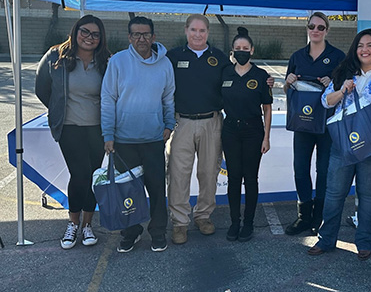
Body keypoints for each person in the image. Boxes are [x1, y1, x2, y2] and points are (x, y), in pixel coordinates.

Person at [166, 15, 274, 244]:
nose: (198, 34)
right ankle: (180, 222)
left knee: (208, 173)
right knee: (178, 175)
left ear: (208, 32)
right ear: (186, 31)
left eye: (202, 30)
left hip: (212, 122)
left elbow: (242, 74)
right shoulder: (173, 56)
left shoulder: (219, 58)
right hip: (182, 122)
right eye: (193, 30)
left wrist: (268, 81)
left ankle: (203, 216)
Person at [307, 28, 371, 261]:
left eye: (370, 45)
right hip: (343, 144)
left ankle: (364, 241)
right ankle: (326, 239)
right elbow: (326, 101)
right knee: (334, 193)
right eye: (360, 46)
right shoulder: (345, 73)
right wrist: (341, 89)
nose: (364, 50)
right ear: (355, 50)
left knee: (368, 195)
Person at [35, 15, 110, 249]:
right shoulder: (55, 56)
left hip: (98, 129)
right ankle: (73, 223)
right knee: (80, 174)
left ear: (101, 38)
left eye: (95, 34)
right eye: (85, 32)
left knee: (93, 175)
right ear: (76, 31)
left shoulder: (106, 61)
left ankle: (88, 225)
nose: (89, 37)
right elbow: (41, 89)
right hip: (69, 128)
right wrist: (57, 110)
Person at [101, 16, 175, 253]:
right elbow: (107, 99)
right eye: (136, 34)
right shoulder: (118, 62)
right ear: (129, 37)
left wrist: (169, 124)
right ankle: (131, 232)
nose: (141, 39)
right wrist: (108, 134)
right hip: (124, 141)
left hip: (154, 140)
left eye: (145, 34)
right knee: (128, 193)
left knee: (156, 189)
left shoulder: (165, 64)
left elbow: (168, 98)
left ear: (153, 37)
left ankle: (158, 232)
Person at [283, 12, 345, 236]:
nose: (315, 31)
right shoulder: (297, 56)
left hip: (328, 124)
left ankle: (319, 218)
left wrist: (333, 83)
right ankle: (303, 216)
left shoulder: (338, 57)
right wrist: (287, 82)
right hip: (303, 123)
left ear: (327, 30)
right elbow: (286, 91)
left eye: (320, 27)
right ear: (307, 29)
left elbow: (346, 90)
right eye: (312, 27)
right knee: (300, 169)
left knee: (324, 171)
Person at [221, 27, 273, 242]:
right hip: (230, 129)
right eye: (237, 48)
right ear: (232, 51)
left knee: (250, 178)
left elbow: (267, 108)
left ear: (252, 50)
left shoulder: (261, 76)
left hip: (253, 131)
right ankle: (235, 222)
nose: (241, 51)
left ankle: (249, 223)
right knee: (233, 178)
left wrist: (266, 137)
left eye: (245, 48)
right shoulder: (224, 72)